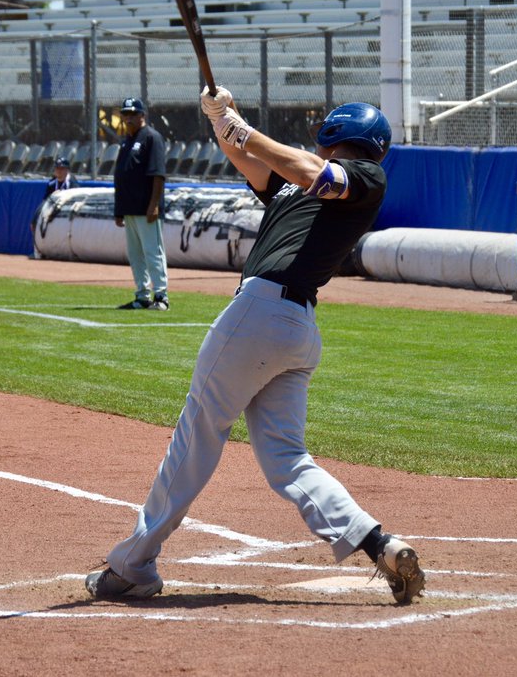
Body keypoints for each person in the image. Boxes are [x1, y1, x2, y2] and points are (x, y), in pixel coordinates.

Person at [84, 86, 425, 605]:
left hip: (263, 312)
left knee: (197, 432)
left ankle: (132, 565)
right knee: (287, 458)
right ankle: (381, 543)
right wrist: (225, 117)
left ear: (338, 133)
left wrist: (245, 129)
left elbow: (315, 173)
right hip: (291, 329)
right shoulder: (292, 182)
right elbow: (250, 159)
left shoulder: (364, 177)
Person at [113, 97, 170, 311]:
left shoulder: (151, 138)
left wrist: (154, 205)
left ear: (141, 116)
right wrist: (119, 210)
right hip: (129, 208)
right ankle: (142, 295)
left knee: (152, 251)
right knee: (136, 255)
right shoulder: (127, 140)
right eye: (124, 114)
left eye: (131, 114)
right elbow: (121, 176)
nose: (127, 118)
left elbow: (157, 174)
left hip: (146, 208)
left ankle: (161, 296)